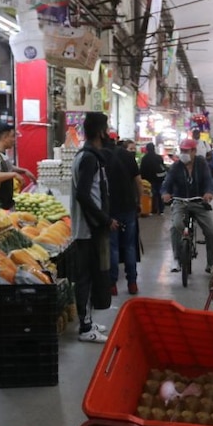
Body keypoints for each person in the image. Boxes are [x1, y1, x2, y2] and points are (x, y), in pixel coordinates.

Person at [69, 112, 116, 344]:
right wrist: (104, 220)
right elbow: (84, 195)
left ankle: (87, 320)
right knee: (86, 278)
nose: (108, 133)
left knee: (91, 276)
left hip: (89, 227)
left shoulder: (87, 155)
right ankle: (86, 328)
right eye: (106, 128)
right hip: (88, 229)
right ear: (99, 131)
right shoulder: (89, 158)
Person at [162, 138, 213, 273]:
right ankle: (176, 259)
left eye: (186, 151)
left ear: (194, 151)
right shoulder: (176, 166)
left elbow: (209, 181)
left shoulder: (202, 164)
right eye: (182, 151)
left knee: (212, 233)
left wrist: (209, 193)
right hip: (180, 201)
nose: (183, 154)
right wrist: (165, 193)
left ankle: (210, 263)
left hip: (198, 201)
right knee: (175, 226)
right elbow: (167, 183)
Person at [106, 139, 142, 296]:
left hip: (110, 209)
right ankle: (132, 283)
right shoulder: (128, 156)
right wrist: (139, 202)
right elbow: (139, 182)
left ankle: (112, 285)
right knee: (129, 246)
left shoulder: (102, 156)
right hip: (128, 208)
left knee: (112, 247)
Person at [0, 124, 34, 210]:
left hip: (5, 204)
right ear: (4, 137)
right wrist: (13, 174)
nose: (14, 140)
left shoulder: (1, 154)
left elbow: (7, 167)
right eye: (12, 136)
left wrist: (24, 171)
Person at [140, 142, 167, 215]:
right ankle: (161, 209)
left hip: (149, 179)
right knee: (159, 193)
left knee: (151, 194)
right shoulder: (158, 157)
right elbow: (163, 166)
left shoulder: (145, 158)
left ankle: (153, 209)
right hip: (159, 178)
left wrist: (142, 178)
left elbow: (142, 170)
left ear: (147, 149)